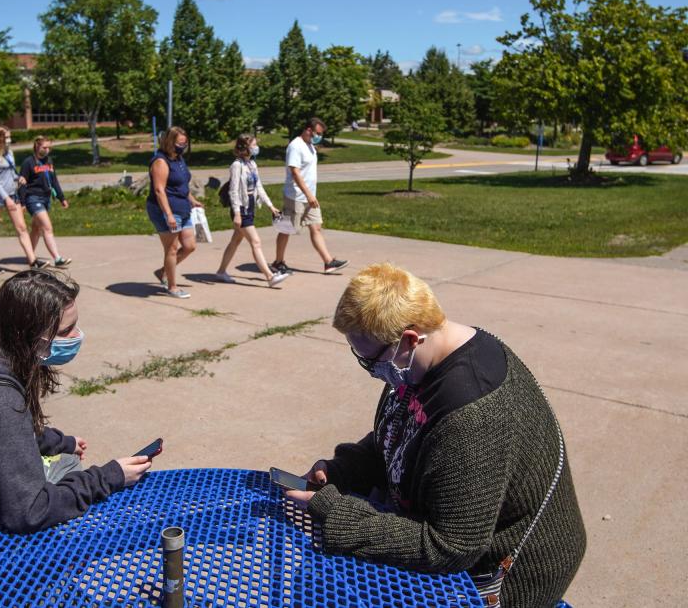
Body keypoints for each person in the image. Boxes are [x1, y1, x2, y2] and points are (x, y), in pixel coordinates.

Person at [286, 263, 586, 607]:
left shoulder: (472, 414)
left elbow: (451, 547)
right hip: (455, 538)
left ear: (410, 339)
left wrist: (339, 515)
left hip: (505, 572)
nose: (371, 371)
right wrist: (345, 468)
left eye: (370, 360)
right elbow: (403, 436)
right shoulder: (418, 365)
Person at [0, 270, 152, 548]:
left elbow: (1, 434)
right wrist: (110, 476)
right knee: (85, 506)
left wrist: (62, 442)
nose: (76, 336)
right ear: (26, 333)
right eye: (64, 331)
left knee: (67, 460)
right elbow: (29, 512)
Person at [272, 117, 348, 275]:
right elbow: (295, 172)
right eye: (317, 133)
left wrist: (311, 195)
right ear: (308, 130)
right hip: (296, 196)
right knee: (287, 229)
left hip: (310, 197)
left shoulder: (310, 146)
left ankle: (328, 262)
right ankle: (278, 262)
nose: (319, 137)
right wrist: (308, 194)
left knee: (316, 227)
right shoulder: (295, 146)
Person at [215, 134, 289, 288]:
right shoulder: (237, 165)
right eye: (254, 144)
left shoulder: (252, 164)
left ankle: (221, 271)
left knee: (235, 241)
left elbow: (259, 187)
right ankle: (270, 276)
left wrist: (270, 206)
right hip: (240, 208)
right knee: (255, 242)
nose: (257, 147)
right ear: (245, 147)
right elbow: (233, 191)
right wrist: (236, 213)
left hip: (250, 206)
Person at [147, 126, 203, 299]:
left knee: (189, 246)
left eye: (185, 143)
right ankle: (172, 286)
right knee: (171, 249)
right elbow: (159, 190)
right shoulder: (161, 161)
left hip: (182, 207)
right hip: (165, 210)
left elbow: (181, 185)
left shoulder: (179, 159)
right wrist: (169, 215)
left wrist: (192, 199)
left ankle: (163, 271)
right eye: (180, 143)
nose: (182, 146)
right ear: (170, 141)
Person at [0, 125, 45, 274]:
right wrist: (5, 199)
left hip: (12, 194)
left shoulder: (9, 152)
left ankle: (33, 261)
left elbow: (10, 173)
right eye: (6, 137)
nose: (9, 140)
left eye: (10, 136)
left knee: (21, 227)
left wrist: (19, 177)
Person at [18, 136, 72, 268]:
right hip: (33, 198)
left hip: (46, 198)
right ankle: (57, 258)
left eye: (49, 148)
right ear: (37, 146)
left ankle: (30, 257)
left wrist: (61, 197)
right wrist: (22, 202)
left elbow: (54, 181)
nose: (47, 150)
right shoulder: (28, 162)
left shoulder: (49, 161)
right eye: (44, 147)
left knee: (36, 229)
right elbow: (22, 184)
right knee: (47, 227)